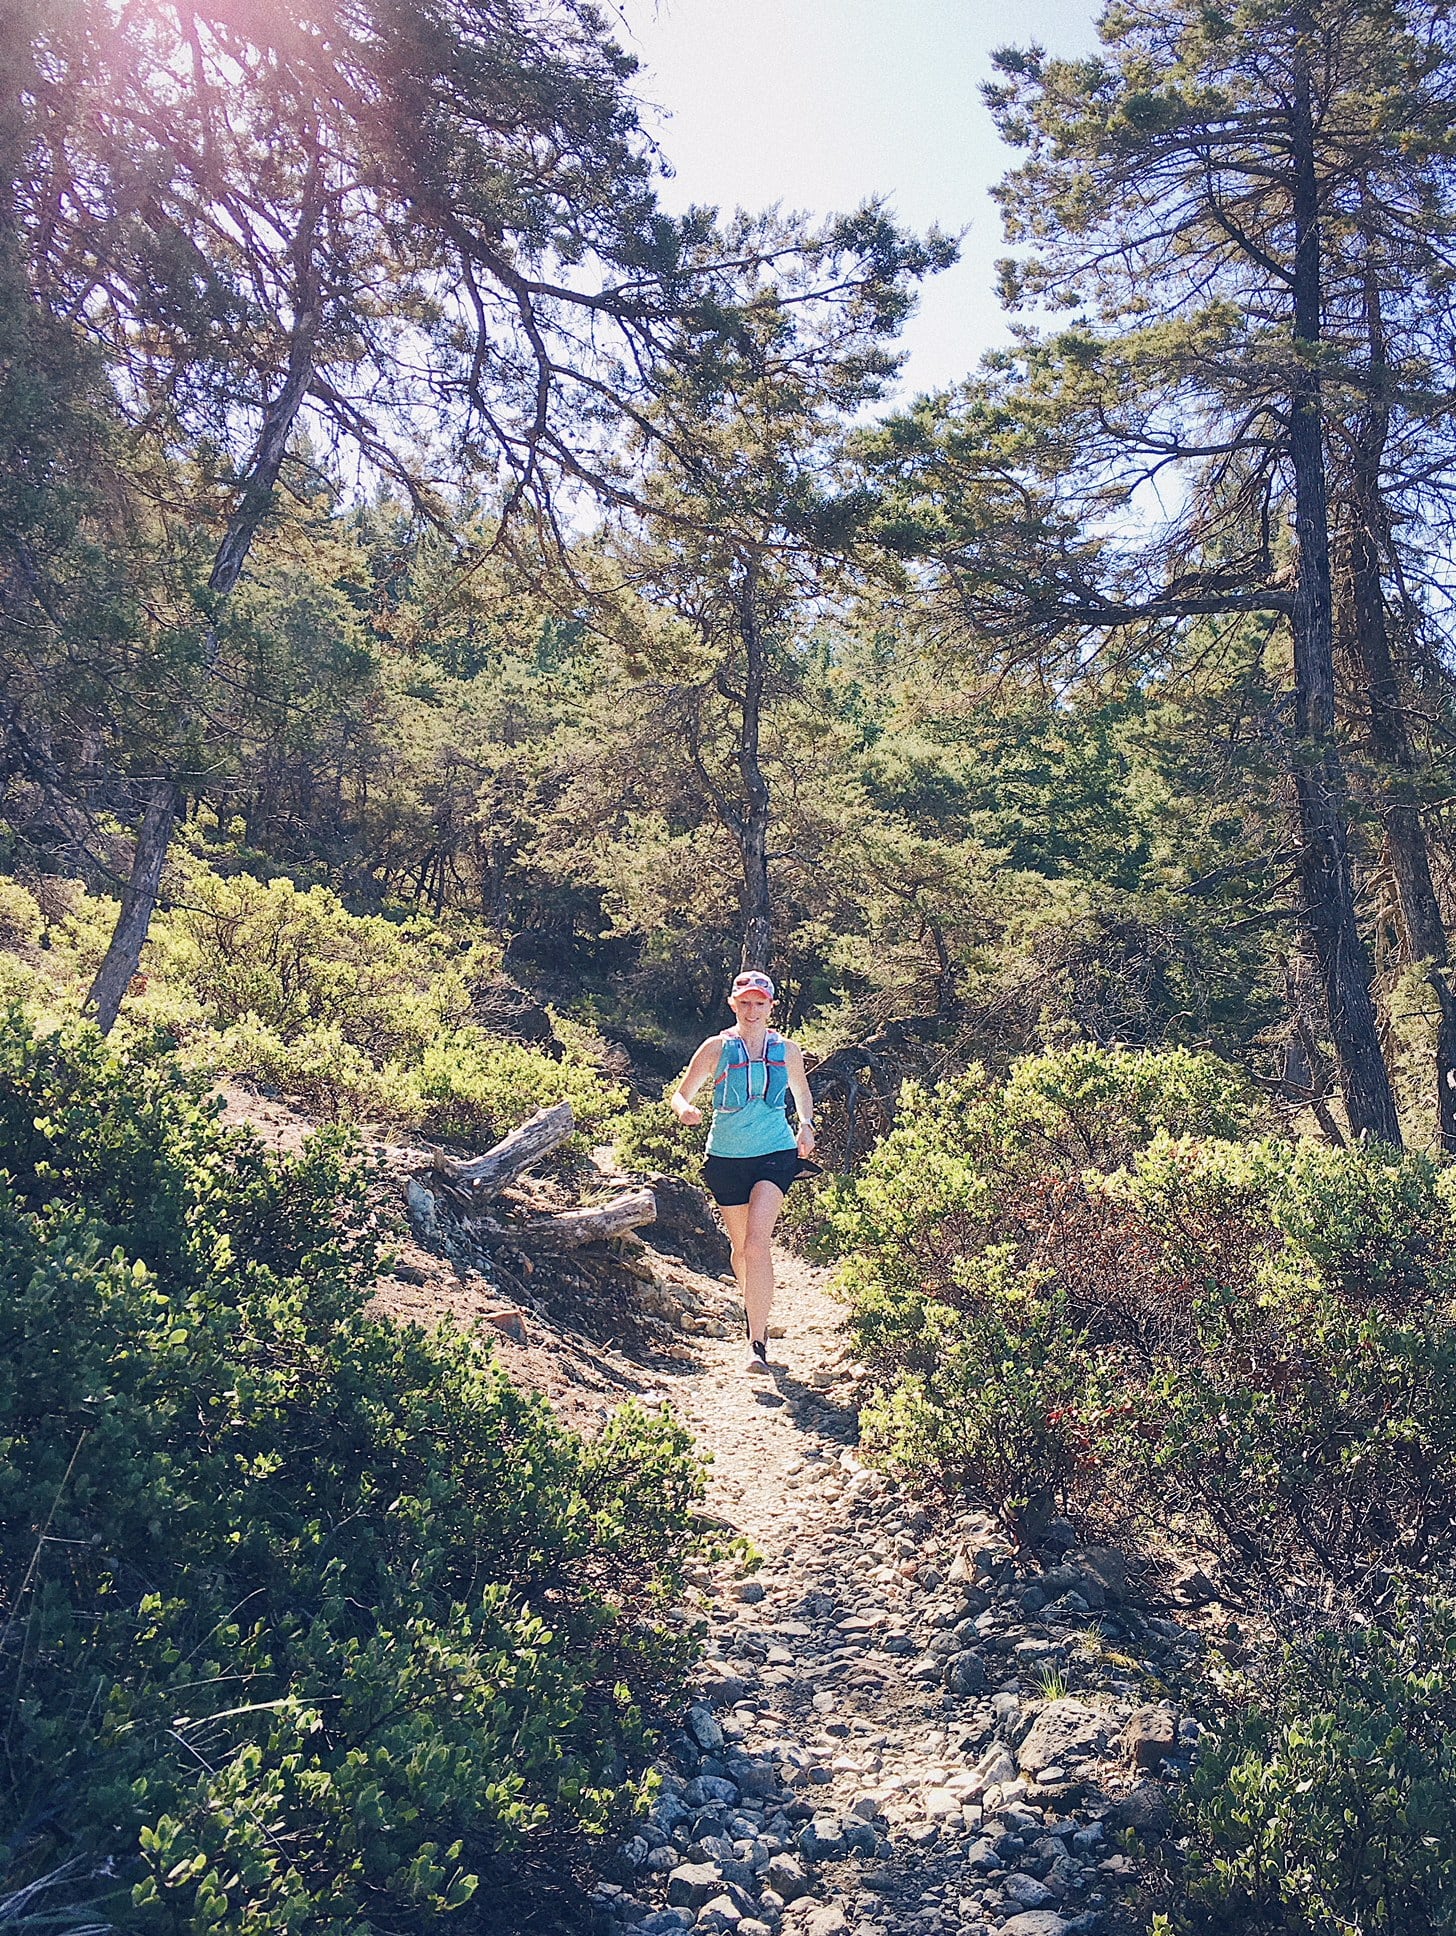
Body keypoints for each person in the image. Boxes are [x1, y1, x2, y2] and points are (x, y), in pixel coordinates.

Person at [670, 969, 816, 1371]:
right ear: (734, 1004)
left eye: (760, 1003)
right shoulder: (717, 1047)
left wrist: (806, 1125)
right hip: (726, 1158)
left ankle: (757, 1341)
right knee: (740, 1251)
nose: (753, 1010)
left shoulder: (786, 1049)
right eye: (745, 1002)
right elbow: (681, 1094)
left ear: (771, 1006)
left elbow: (801, 1093)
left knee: (756, 1242)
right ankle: (756, 1308)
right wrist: (686, 1111)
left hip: (776, 1152)